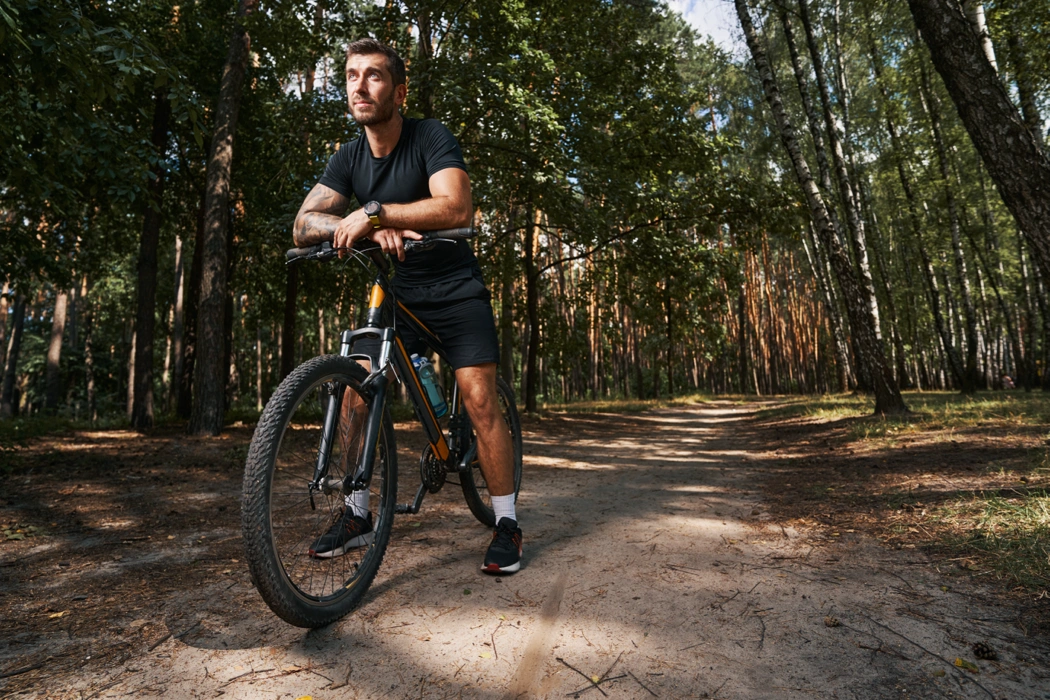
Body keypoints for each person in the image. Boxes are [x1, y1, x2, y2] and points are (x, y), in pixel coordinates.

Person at [291, 38, 522, 575]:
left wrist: (376, 212)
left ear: (398, 89)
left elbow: (456, 204)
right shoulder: (349, 156)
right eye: (351, 76)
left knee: (480, 397)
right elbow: (305, 224)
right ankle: (356, 513)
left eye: (374, 76)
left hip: (456, 288)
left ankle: (507, 522)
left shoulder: (429, 136)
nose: (360, 86)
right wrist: (370, 225)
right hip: (402, 293)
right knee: (357, 390)